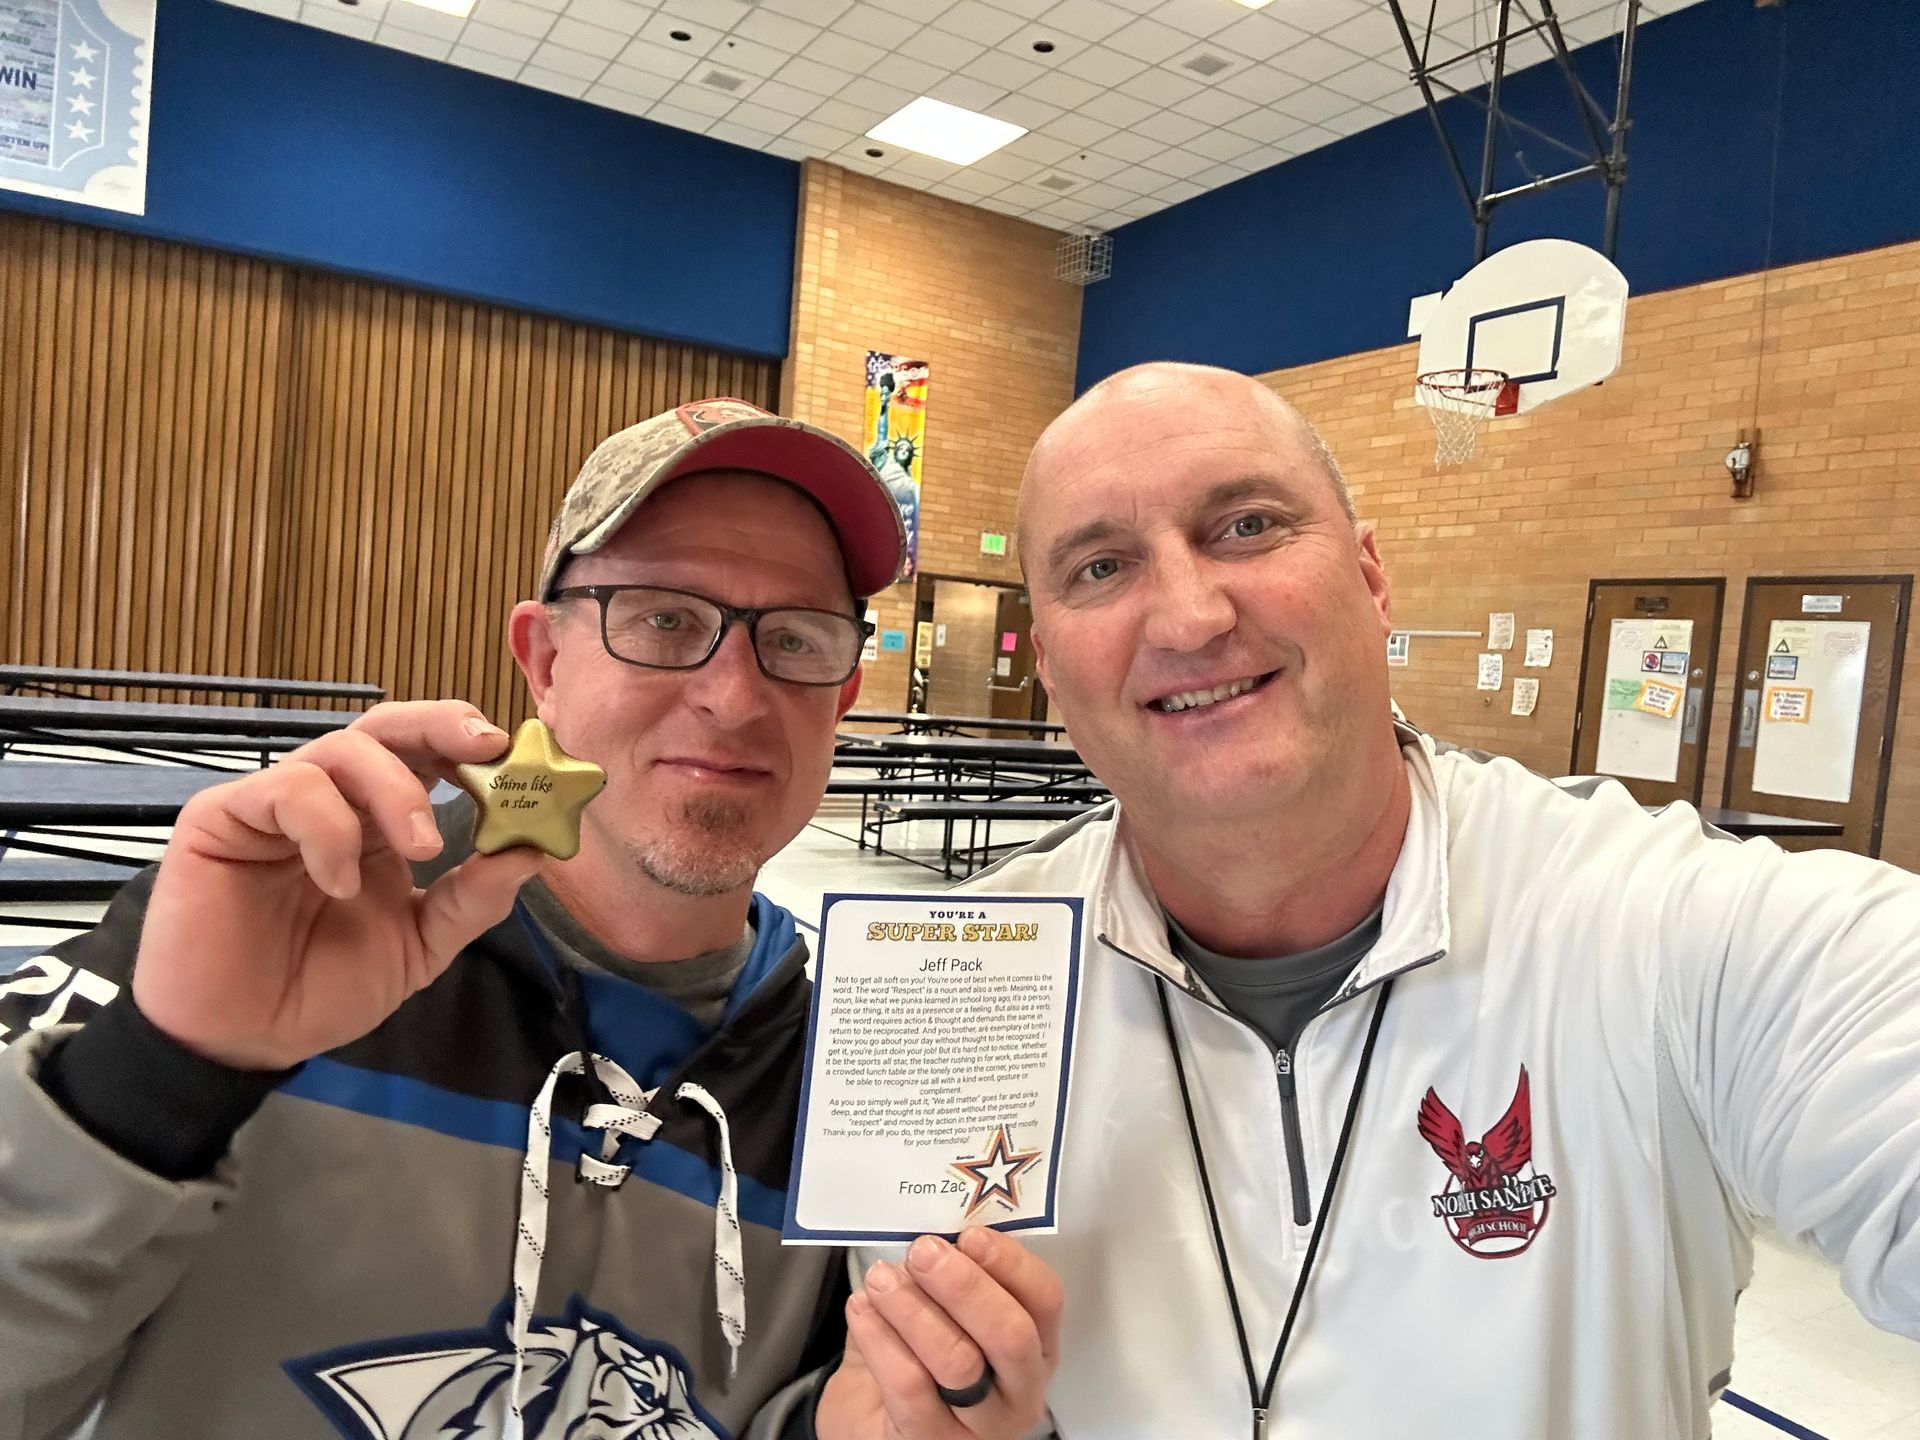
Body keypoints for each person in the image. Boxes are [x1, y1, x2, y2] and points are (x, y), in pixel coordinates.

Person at [889, 362, 1920, 1437]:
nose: (1189, 617)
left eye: (1246, 526)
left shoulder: (1657, 926)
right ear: (1050, 667)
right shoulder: (958, 978)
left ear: (1372, 578)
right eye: (1102, 567)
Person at [0, 397, 1058, 1440]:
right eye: (664, 620)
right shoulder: (263, 935)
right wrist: (164, 1075)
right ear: (544, 660)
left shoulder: (857, 1088)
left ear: (842, 697)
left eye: (795, 638)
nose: (735, 698)